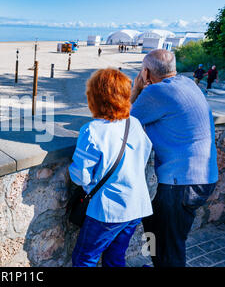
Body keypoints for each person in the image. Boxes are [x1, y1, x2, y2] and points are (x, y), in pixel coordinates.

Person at [131, 49, 218, 267]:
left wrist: (136, 89)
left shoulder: (156, 93)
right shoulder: (188, 84)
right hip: (203, 177)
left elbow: (122, 121)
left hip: (180, 183)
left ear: (146, 71)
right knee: (159, 231)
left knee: (169, 245)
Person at [69, 68, 153, 267]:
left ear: (95, 97)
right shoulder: (134, 123)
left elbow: (81, 177)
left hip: (108, 210)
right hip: (136, 204)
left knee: (84, 258)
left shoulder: (92, 131)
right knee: (115, 257)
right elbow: (143, 156)